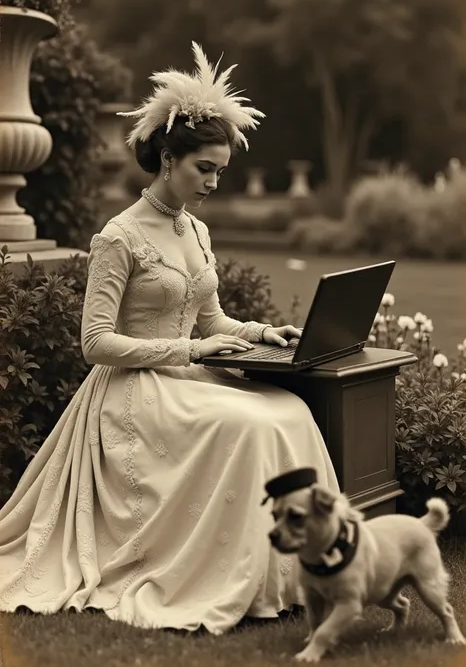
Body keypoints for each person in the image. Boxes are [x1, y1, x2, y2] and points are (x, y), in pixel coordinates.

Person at [0, 42, 338, 635]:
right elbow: (95, 343)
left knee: (289, 410)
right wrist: (190, 353)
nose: (211, 181)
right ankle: (223, 576)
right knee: (253, 425)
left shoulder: (198, 230)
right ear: (166, 159)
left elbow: (211, 321)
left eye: (219, 171)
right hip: (132, 394)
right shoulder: (118, 237)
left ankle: (295, 575)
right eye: (202, 168)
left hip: (189, 376)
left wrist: (263, 331)